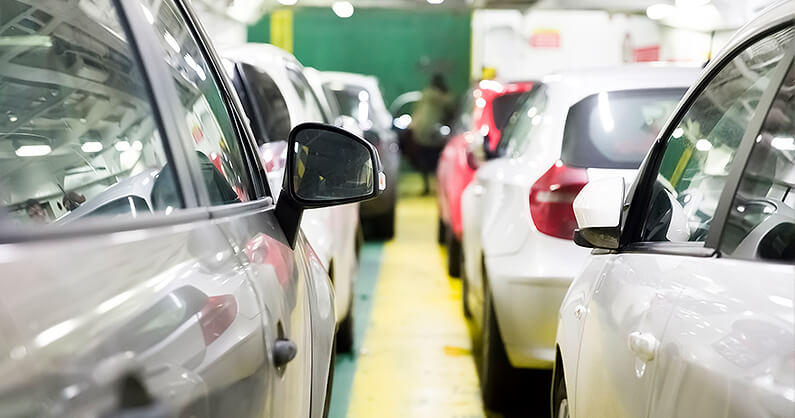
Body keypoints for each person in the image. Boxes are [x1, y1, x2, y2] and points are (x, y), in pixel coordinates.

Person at [410, 73, 454, 195]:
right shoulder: (445, 98)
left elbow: (416, 111)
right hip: (436, 133)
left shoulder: (424, 95)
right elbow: (450, 113)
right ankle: (438, 187)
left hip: (420, 132)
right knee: (437, 160)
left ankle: (426, 187)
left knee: (423, 160)